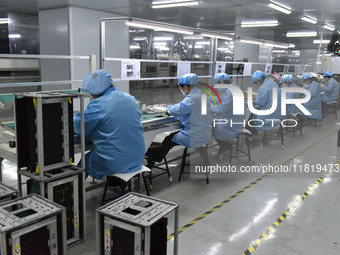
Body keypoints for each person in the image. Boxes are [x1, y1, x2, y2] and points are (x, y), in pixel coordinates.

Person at [73, 69, 145, 180]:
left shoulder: (99, 104)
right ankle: (120, 183)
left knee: (85, 160)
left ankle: (75, 192)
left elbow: (78, 126)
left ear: (93, 92)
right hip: (137, 158)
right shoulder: (130, 99)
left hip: (116, 163)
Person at [146, 73, 212, 163]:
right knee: (173, 137)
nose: (181, 90)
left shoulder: (192, 98)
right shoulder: (202, 95)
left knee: (169, 139)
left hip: (194, 136)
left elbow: (177, 109)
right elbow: (191, 111)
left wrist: (167, 110)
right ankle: (153, 159)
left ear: (185, 87)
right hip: (205, 134)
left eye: (180, 88)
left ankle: (153, 160)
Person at [211, 73, 245, 149]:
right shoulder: (233, 88)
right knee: (214, 121)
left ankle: (225, 146)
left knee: (212, 124)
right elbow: (221, 98)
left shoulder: (230, 93)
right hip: (236, 119)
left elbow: (221, 110)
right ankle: (225, 145)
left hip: (232, 123)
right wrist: (208, 98)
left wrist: (208, 105)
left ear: (222, 82)